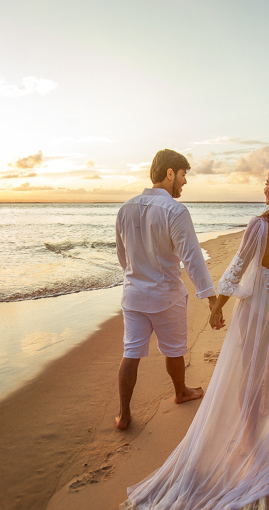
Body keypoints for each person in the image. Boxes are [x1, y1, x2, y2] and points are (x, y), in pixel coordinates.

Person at [119, 163, 269, 510]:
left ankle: (252, 438)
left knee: (250, 369)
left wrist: (218, 306)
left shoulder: (258, 226)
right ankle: (267, 433)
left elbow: (237, 270)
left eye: (268, 183)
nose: (264, 187)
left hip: (260, 304)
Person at [114, 149, 218, 431]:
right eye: (183, 175)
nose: (184, 182)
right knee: (173, 350)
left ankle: (124, 415)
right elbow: (192, 258)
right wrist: (211, 299)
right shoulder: (176, 210)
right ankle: (180, 392)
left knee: (131, 352)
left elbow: (123, 258)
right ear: (170, 173)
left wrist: (137, 276)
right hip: (165, 296)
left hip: (133, 295)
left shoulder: (125, 208)